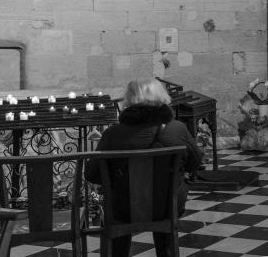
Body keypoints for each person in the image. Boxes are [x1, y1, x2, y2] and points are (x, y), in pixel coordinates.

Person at [85, 79, 203, 257]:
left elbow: (92, 174)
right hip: (167, 206)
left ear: (130, 100)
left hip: (123, 209)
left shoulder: (112, 134)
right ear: (161, 97)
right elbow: (195, 163)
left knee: (117, 202)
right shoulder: (177, 129)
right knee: (166, 192)